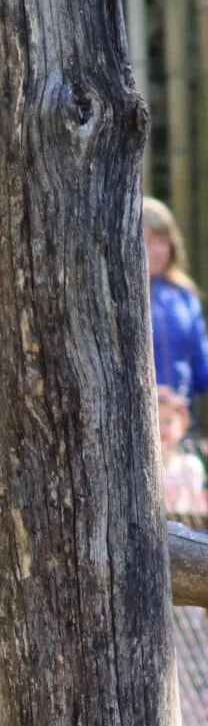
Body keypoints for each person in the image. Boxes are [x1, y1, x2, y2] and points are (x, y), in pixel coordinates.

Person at [145, 196, 208, 410]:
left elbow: (201, 365)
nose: (157, 250)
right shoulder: (114, 297)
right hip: (134, 424)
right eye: (147, 242)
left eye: (162, 242)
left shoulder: (183, 294)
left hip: (181, 426)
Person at [163, 388, 208, 516]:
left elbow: (198, 511)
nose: (161, 428)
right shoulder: (138, 468)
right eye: (155, 421)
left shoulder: (191, 465)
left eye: (168, 421)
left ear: (183, 424)